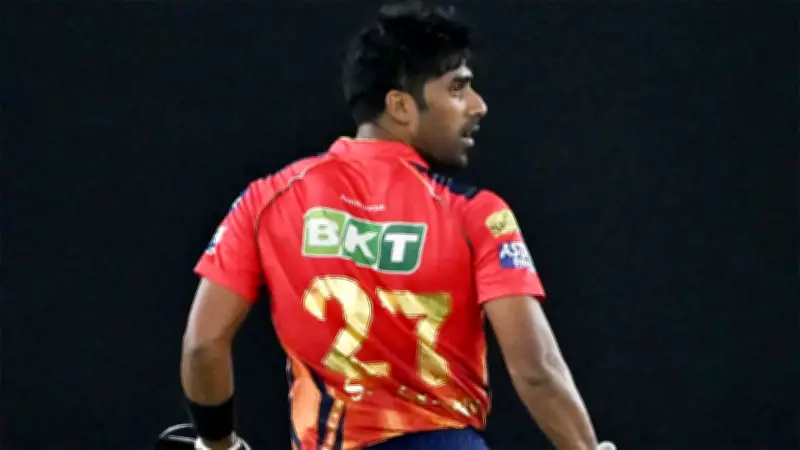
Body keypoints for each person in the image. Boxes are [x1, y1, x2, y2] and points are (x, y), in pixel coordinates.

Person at [176, 2, 616, 450]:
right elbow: (537, 370)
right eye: (458, 88)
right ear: (401, 106)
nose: (479, 105)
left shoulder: (266, 200)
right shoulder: (476, 213)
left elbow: (202, 346)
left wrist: (218, 444)